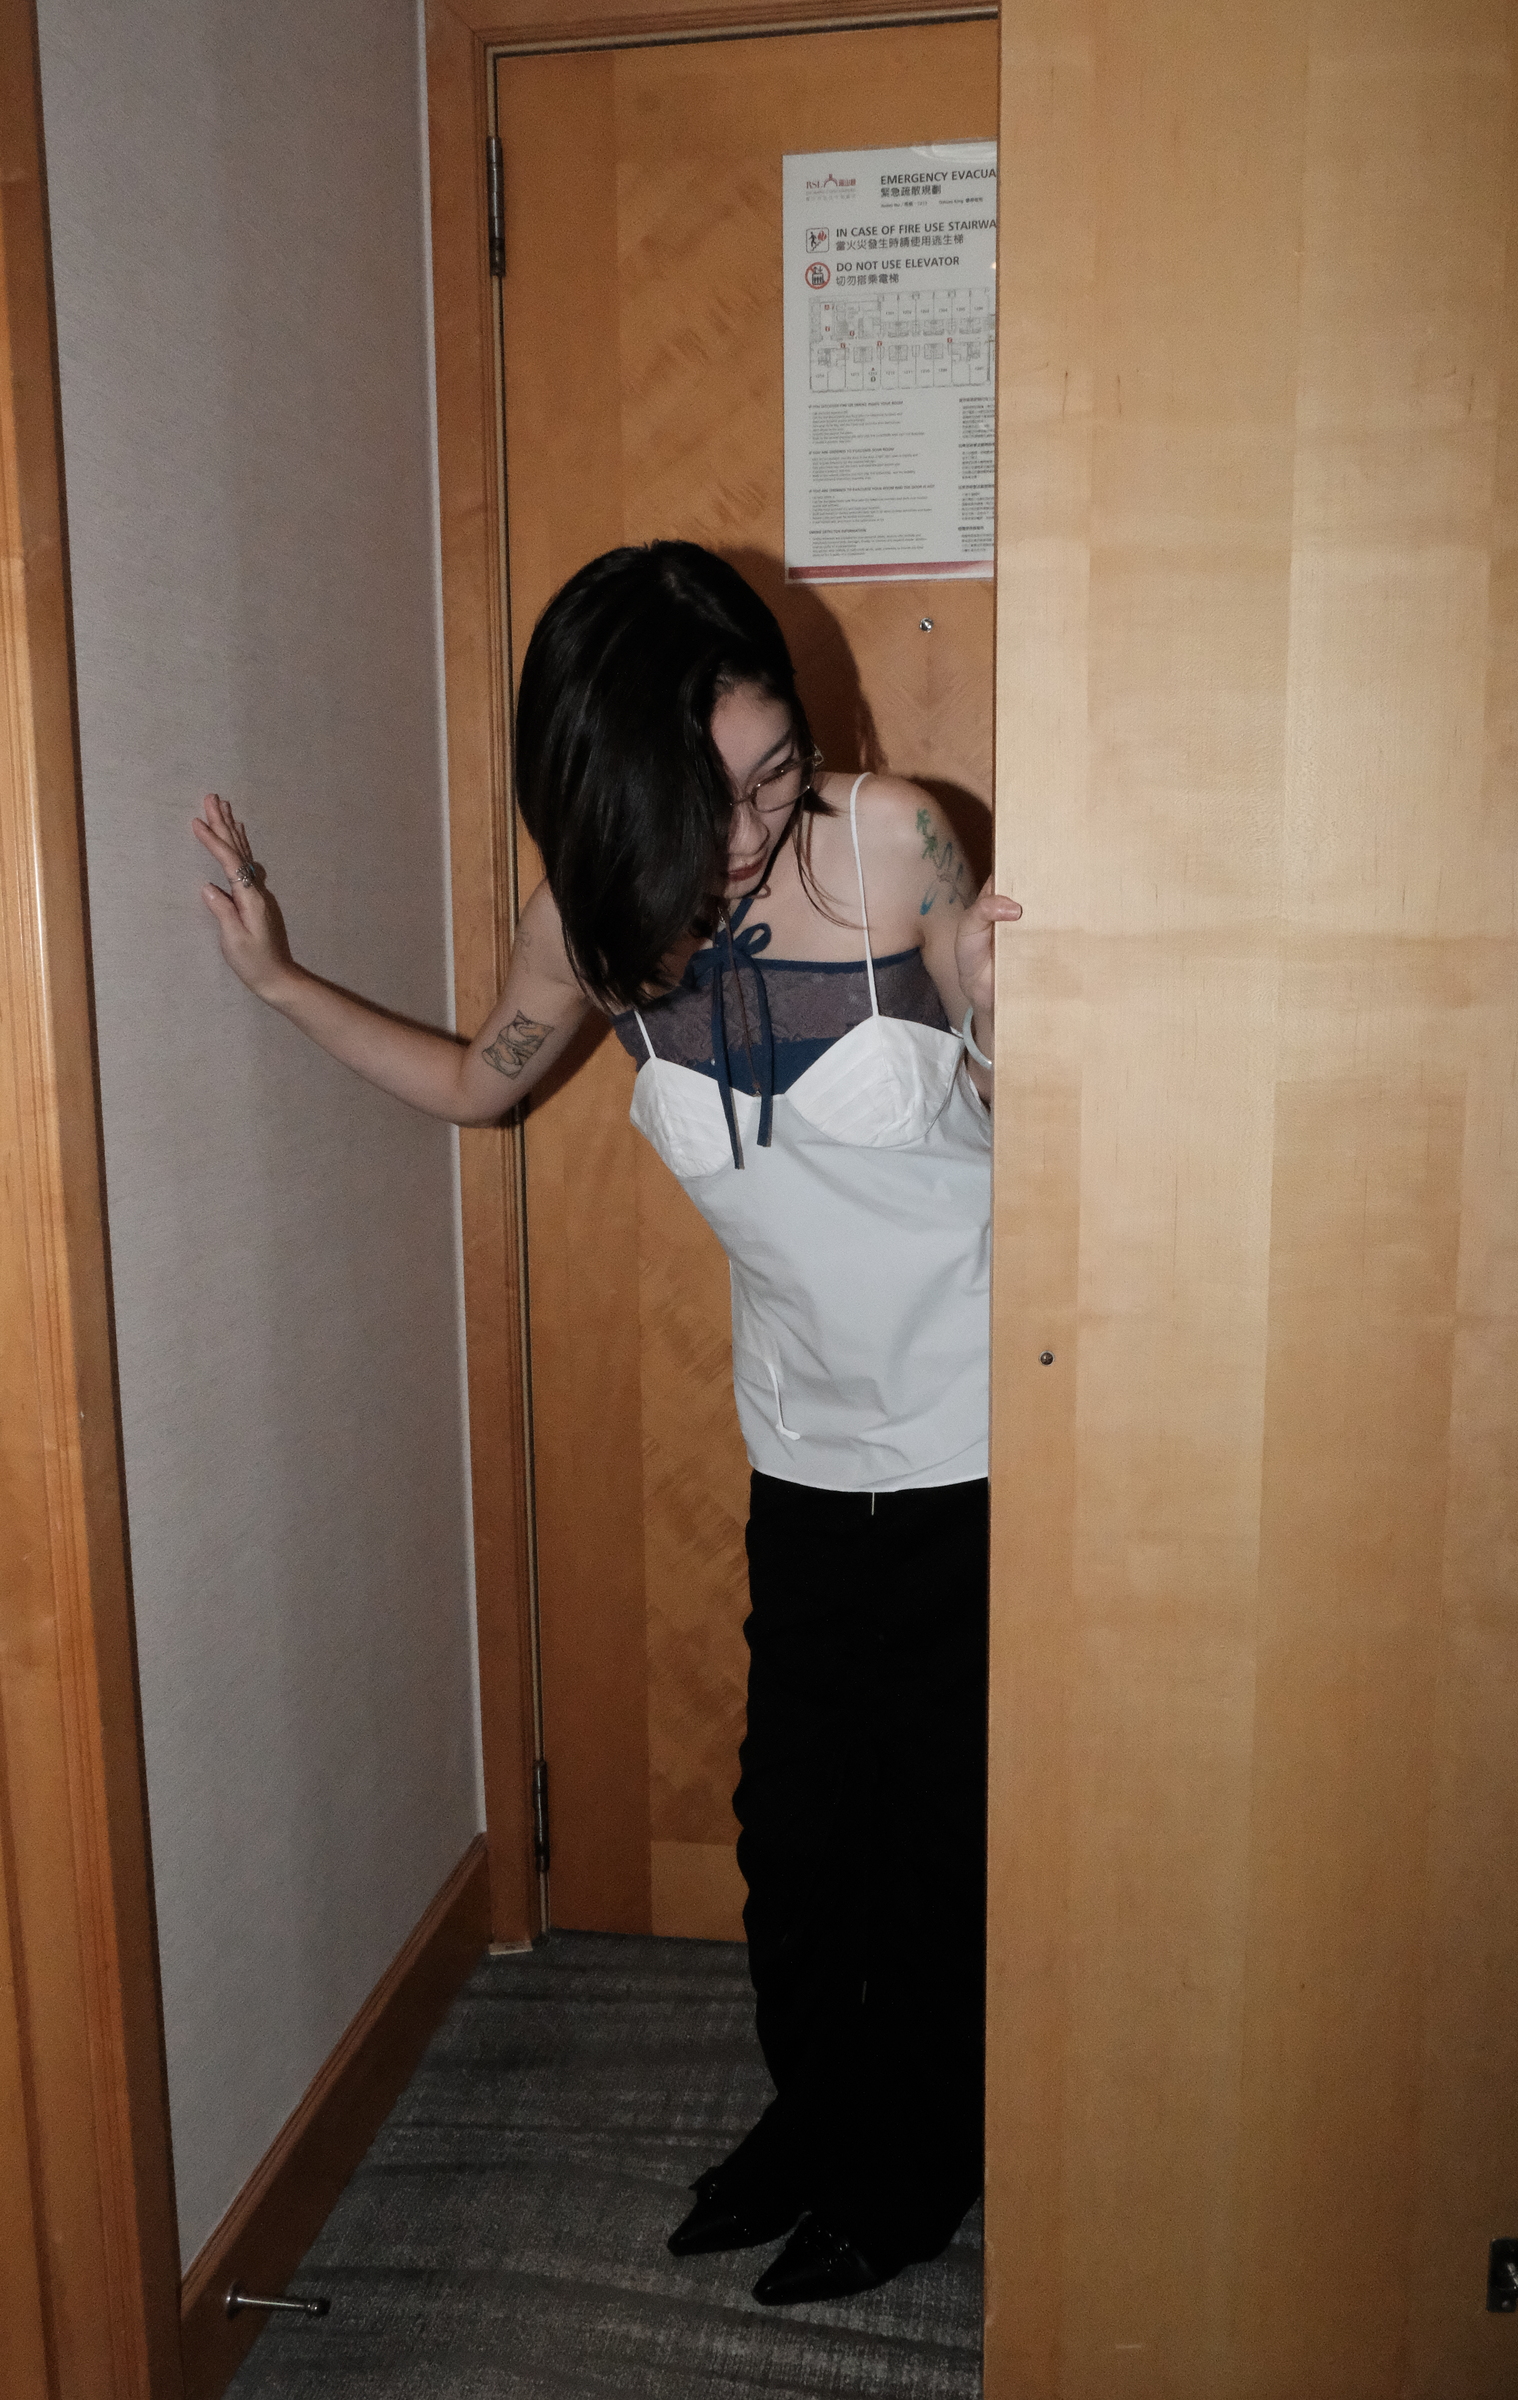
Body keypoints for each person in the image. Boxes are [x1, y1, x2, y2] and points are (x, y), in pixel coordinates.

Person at [193, 541, 1021, 2306]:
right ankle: (817, 2119)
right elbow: (474, 1086)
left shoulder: (891, 838)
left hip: (985, 1440)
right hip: (806, 1446)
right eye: (709, 801)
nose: (754, 829)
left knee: (937, 1842)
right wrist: (279, 984)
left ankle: (911, 2171)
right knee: (795, 1842)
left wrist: (1007, 990)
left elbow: (1033, 1068)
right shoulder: (589, 928)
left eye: (774, 772)